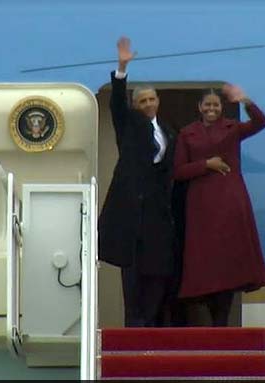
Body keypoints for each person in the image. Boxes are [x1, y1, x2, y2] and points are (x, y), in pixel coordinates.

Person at [98, 36, 179, 327]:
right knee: (132, 278)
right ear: (136, 105)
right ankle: (134, 329)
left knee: (159, 275)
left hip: (158, 213)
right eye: (142, 100)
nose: (147, 104)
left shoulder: (169, 131)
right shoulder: (129, 124)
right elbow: (117, 104)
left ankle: (151, 324)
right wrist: (121, 69)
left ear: (158, 101)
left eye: (151, 99)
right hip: (132, 213)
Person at [173, 84, 265, 326]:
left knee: (227, 262)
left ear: (221, 107)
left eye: (216, 105)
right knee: (203, 261)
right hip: (201, 205)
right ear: (200, 107)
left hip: (229, 201)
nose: (211, 108)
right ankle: (205, 323)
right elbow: (178, 171)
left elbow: (261, 122)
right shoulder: (187, 133)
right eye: (207, 104)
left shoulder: (232, 128)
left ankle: (222, 323)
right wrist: (206, 164)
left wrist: (246, 100)